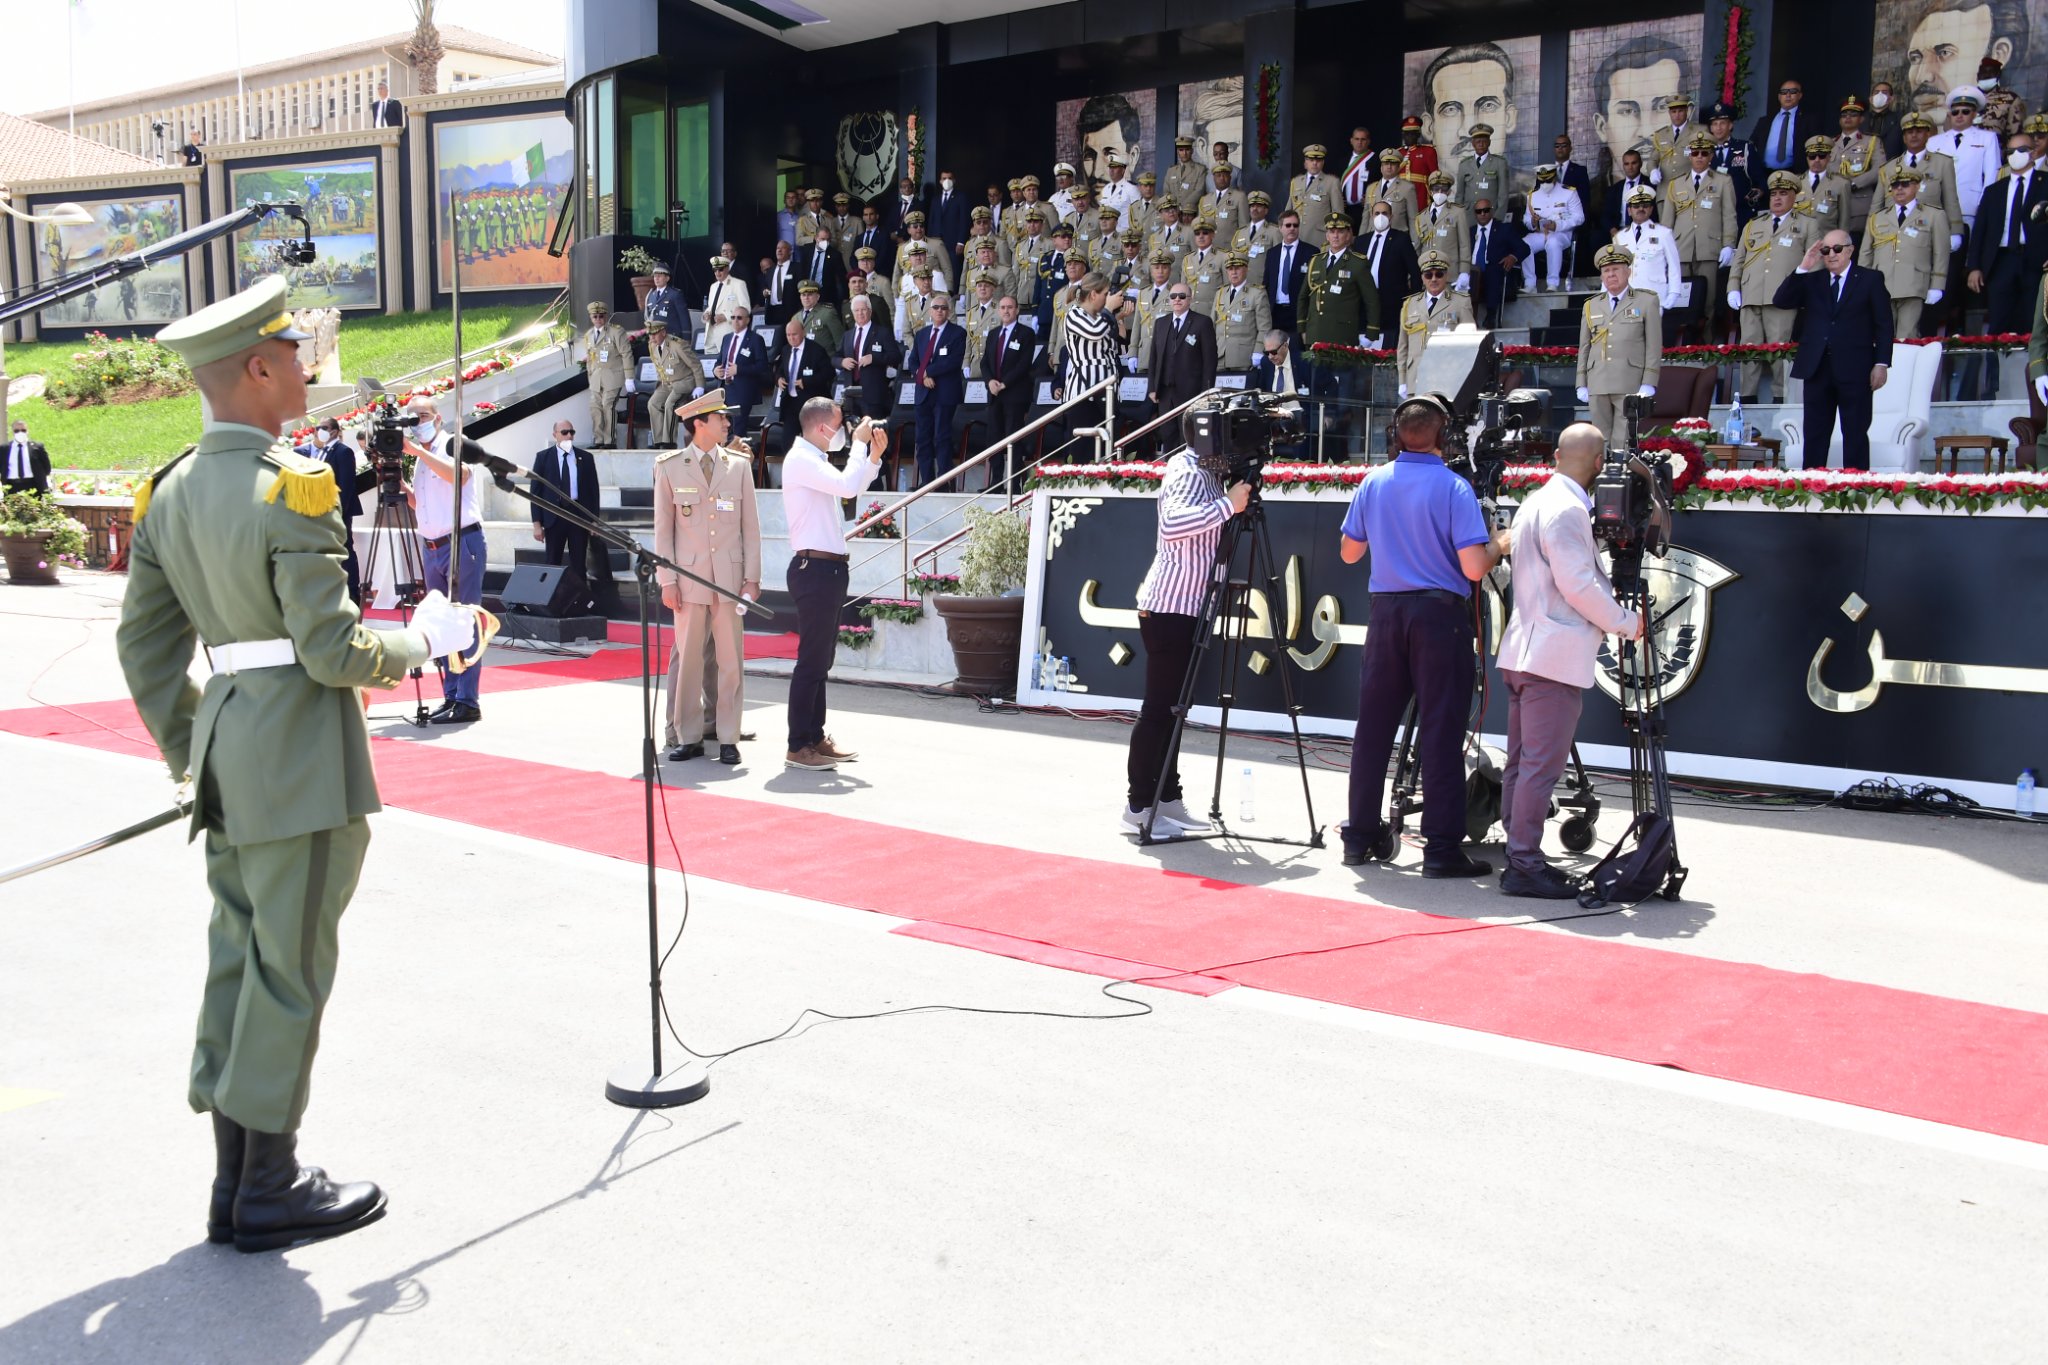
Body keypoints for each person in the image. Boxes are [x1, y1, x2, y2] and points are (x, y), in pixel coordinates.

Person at [118, 276, 474, 1253]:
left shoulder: (170, 491)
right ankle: (270, 1187)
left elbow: (145, 651)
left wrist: (194, 752)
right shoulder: (290, 485)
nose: (306, 369)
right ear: (256, 369)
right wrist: (428, 642)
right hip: (301, 765)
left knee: (239, 960)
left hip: (229, 760)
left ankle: (234, 1184)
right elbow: (332, 652)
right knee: (290, 972)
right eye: (290, 353)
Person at [1338, 392, 1508, 877]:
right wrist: (1500, 544)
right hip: (1438, 617)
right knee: (1441, 731)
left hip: (1386, 614)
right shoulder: (1454, 488)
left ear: (1395, 434)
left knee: (1373, 730)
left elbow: (1349, 553)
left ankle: (1359, 836)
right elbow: (1473, 568)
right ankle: (1441, 849)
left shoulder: (1374, 481)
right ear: (1444, 436)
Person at [1495, 422, 1645, 899]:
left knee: (1523, 763)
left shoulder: (1537, 500)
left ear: (1557, 456)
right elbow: (1577, 585)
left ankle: (1520, 854)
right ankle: (1524, 863)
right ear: (1600, 464)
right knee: (1538, 767)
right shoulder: (1565, 510)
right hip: (1549, 658)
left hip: (1526, 650)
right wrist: (1626, 622)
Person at [1122, 438, 1252, 836]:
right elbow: (1172, 525)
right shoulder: (1187, 469)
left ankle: (1167, 798)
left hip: (1191, 607)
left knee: (1176, 709)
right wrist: (1228, 505)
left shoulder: (1211, 471)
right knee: (1159, 709)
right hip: (1170, 606)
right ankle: (1138, 805)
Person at [654, 390, 760, 766]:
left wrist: (752, 579)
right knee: (689, 661)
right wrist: (667, 580)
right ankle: (689, 735)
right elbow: (663, 530)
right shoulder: (669, 466)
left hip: (729, 580)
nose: (727, 423)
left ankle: (728, 736)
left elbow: (751, 528)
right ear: (700, 423)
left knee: (731, 661)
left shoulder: (739, 466)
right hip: (688, 580)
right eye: (720, 418)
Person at [781, 399, 886, 770]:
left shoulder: (814, 459)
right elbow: (846, 486)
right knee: (812, 660)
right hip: (814, 568)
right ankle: (798, 744)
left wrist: (872, 458)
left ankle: (814, 736)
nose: (845, 430)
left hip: (827, 569)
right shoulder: (801, 459)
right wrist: (858, 446)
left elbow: (851, 486)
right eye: (841, 424)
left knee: (822, 659)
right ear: (823, 427)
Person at [1773, 230, 1895, 470]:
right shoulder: (1812, 280)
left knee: (1855, 431)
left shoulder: (1870, 279)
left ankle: (1855, 485)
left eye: (1837, 249)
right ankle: (1813, 484)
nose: (1831, 254)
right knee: (1815, 433)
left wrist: (1881, 363)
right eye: (1826, 250)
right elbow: (1781, 300)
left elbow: (1884, 324)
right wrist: (1804, 266)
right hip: (1817, 367)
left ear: (1850, 250)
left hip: (1856, 367)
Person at [402, 398, 486, 723]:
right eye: (412, 418)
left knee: (464, 620)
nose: (418, 423)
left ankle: (467, 699)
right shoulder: (422, 458)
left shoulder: (451, 444)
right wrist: (399, 483)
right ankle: (451, 695)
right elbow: (421, 503)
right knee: (440, 622)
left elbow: (459, 475)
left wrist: (416, 451)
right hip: (432, 545)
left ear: (438, 418)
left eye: (422, 416)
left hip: (460, 541)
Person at [1730, 172, 1817, 400]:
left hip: (1783, 297)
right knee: (1749, 349)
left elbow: (1814, 265)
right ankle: (1747, 397)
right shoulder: (1753, 225)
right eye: (1774, 194)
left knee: (1780, 350)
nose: (1777, 198)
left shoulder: (1807, 224)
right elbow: (1739, 259)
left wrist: (1804, 296)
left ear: (1794, 197)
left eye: (1783, 193)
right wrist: (1733, 287)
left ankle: (1781, 397)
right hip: (1751, 294)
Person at [1964, 130, 2047, 331]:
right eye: (2010, 151)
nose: (2015, 155)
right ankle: (1998, 353)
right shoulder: (1994, 190)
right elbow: (1980, 231)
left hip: (2036, 261)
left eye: (2021, 149)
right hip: (2001, 260)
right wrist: (1974, 267)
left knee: (2034, 320)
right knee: (1999, 319)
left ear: (2033, 152)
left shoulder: (2046, 183)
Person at [1576, 244, 1662, 435]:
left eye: (1616, 269)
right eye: (1606, 271)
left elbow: (1654, 345)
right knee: (1599, 438)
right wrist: (1581, 382)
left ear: (1628, 272)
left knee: (1623, 440)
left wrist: (1649, 381)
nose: (1611, 275)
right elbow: (1584, 347)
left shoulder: (1646, 301)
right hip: (1597, 381)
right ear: (1601, 277)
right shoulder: (1591, 305)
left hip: (1629, 380)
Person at [1859, 165, 1952, 338]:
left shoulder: (1933, 215)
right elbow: (1866, 254)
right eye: (1895, 185)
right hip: (1882, 285)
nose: (1899, 189)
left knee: (1907, 336)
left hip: (1913, 284)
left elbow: (1941, 253)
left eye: (1905, 184)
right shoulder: (1877, 218)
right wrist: (1862, 285)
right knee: (1882, 335)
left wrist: (1937, 285)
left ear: (1917, 186)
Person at [1664, 133, 1738, 338]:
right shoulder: (1676, 184)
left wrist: (1729, 244)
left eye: (1704, 153)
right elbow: (1667, 223)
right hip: (1681, 250)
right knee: (1681, 300)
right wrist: (1665, 250)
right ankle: (1681, 345)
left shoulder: (1723, 181)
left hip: (1709, 249)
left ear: (1711, 156)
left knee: (1708, 301)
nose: (1699, 157)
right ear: (1690, 155)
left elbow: (1729, 215)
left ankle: (1705, 344)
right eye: (1695, 153)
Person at [1591, 36, 1687, 184]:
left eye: (1661, 107)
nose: (1647, 132)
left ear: (1687, 115)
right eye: (1628, 111)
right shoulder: (1589, 194)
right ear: (1602, 127)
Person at [528, 419, 601, 611]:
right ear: (555, 435)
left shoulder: (585, 458)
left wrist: (594, 520)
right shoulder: (543, 457)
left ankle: (581, 605)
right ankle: (549, 603)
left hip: (578, 516)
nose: (569, 436)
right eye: (564, 432)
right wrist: (537, 524)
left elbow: (593, 491)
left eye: (571, 432)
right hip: (554, 516)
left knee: (579, 564)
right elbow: (535, 493)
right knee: (552, 561)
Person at [1422, 42, 1521, 177]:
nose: (1469, 131)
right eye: (1451, 109)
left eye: (1488, 106)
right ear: (1429, 127)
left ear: (1509, 118)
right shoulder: (1416, 187)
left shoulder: (1529, 188)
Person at [301, 418, 371, 605]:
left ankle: (352, 592)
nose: (320, 431)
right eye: (318, 428)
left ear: (335, 431)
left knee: (344, 549)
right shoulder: (310, 452)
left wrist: (337, 513)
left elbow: (346, 486)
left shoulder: (343, 451)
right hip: (315, 512)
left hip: (338, 512)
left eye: (324, 428)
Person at [1396, 251, 1474, 399]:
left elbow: (1470, 345)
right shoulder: (1410, 304)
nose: (1433, 279)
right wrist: (1402, 380)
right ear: (1422, 278)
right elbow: (1403, 347)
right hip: (1415, 378)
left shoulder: (1460, 302)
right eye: (1428, 275)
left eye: (1439, 274)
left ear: (1447, 276)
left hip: (1448, 379)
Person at [908, 295, 966, 485]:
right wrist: (923, 376)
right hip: (923, 393)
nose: (940, 310)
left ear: (948, 311)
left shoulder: (957, 333)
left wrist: (927, 372)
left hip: (944, 393)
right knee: (922, 439)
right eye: (936, 307)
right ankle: (926, 482)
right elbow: (913, 361)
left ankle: (942, 483)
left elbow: (953, 361)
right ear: (930, 311)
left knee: (941, 437)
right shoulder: (921, 334)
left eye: (943, 308)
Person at [980, 294, 1035, 485]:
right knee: (994, 439)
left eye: (1010, 307)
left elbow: (1024, 364)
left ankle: (1014, 483)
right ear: (998, 310)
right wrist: (990, 382)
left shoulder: (1026, 333)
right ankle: (995, 483)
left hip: (1015, 395)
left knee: (1013, 439)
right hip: (995, 395)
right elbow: (984, 362)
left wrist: (1004, 383)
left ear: (1017, 310)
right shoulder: (993, 334)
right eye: (1003, 307)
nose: (1006, 311)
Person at [708, 303, 770, 438]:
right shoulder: (727, 338)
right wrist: (715, 371)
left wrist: (740, 369)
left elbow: (763, 366)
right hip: (725, 389)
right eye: (733, 317)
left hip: (743, 391)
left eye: (739, 318)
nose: (735, 321)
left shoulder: (756, 339)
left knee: (738, 429)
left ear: (747, 320)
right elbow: (719, 361)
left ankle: (737, 451)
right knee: (722, 428)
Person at [1357, 200, 1421, 328]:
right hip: (1364, 302)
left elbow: (1415, 272)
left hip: (1392, 304)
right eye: (1377, 213)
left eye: (1384, 213)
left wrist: (1414, 301)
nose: (1380, 217)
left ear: (1391, 216)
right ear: (1372, 216)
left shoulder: (1401, 239)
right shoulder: (1361, 241)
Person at [646, 318, 707, 447]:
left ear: (663, 332)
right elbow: (658, 366)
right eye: (650, 334)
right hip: (667, 383)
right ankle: (658, 441)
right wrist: (660, 383)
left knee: (670, 404)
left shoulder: (678, 345)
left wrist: (700, 386)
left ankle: (669, 442)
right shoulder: (652, 345)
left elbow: (695, 365)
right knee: (653, 403)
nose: (652, 337)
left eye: (655, 334)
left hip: (684, 381)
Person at [772, 315, 835, 441]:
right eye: (788, 335)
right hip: (791, 402)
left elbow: (829, 373)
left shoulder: (816, 350)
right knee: (788, 442)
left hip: (810, 403)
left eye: (794, 334)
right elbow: (779, 370)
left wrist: (806, 381)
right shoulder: (786, 350)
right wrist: (779, 379)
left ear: (803, 332)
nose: (791, 338)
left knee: (813, 441)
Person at [1522, 165, 1583, 292]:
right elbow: (1526, 219)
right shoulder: (1532, 195)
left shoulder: (1569, 192)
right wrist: (1532, 222)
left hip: (1562, 233)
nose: (1545, 184)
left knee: (1553, 242)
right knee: (1524, 244)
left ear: (1554, 177)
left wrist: (1558, 225)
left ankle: (1552, 283)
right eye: (1542, 181)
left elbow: (1579, 217)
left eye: (1548, 180)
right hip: (1540, 233)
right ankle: (1530, 284)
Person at [839, 293, 899, 423]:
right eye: (856, 310)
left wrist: (874, 358)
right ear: (852, 313)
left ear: (870, 311)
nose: (860, 313)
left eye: (863, 310)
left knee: (873, 431)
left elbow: (895, 356)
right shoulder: (847, 335)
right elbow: (835, 357)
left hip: (873, 395)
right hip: (851, 395)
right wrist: (842, 362)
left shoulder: (882, 332)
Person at [1829, 97, 1885, 236]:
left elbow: (1880, 169)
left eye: (1853, 114)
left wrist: (1854, 184)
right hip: (1832, 203)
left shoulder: (1872, 141)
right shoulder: (1830, 143)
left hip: (1858, 204)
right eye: (1844, 115)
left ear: (1861, 119)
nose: (1848, 117)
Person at [1412, 171, 1473, 291]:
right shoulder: (1421, 216)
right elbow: (1417, 248)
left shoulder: (1457, 212)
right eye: (1436, 189)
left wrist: (1464, 271)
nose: (1439, 192)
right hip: (1427, 275)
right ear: (1430, 191)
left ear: (1449, 192)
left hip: (1449, 275)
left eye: (1444, 189)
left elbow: (1464, 245)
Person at [1470, 197, 1524, 326]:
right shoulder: (1470, 231)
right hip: (1472, 271)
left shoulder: (1503, 229)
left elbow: (1523, 248)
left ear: (1492, 211)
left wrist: (1512, 257)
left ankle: (1491, 315)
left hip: (1495, 271)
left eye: (1486, 210)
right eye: (1479, 211)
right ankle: (1467, 319)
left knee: (1493, 271)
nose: (1483, 214)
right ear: (1475, 214)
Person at [1213, 252, 1272, 369]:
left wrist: (1258, 351)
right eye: (1230, 269)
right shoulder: (1220, 293)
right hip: (1219, 356)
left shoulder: (1257, 294)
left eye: (1237, 268)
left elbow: (1264, 328)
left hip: (1244, 357)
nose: (1234, 272)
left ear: (1246, 269)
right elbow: (1212, 325)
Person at [1752, 78, 1817, 176]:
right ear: (1779, 96)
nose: (1788, 95)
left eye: (1793, 91)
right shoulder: (1764, 121)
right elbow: (1752, 143)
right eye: (1784, 92)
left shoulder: (1808, 120)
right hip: (1765, 174)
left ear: (1800, 95)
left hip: (1795, 174)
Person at [1289, 144, 1345, 248]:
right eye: (1311, 160)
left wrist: (1334, 237)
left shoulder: (1332, 182)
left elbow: (1338, 214)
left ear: (1323, 162)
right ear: (1305, 162)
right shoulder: (1296, 181)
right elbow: (1289, 210)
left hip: (1319, 237)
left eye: (1318, 160)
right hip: (1296, 235)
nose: (1315, 163)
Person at [1454, 122, 1512, 221]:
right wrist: (1459, 217)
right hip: (1469, 216)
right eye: (1478, 141)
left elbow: (1503, 194)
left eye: (1484, 141)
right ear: (1473, 143)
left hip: (1491, 215)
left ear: (1489, 142)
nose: (1481, 144)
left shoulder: (1499, 163)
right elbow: (1460, 194)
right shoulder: (1464, 165)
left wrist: (1498, 217)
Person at [1797, 136, 1853, 238]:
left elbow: (1844, 221)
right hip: (1799, 240)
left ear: (1829, 158)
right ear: (1807, 158)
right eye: (1812, 156)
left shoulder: (1841, 184)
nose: (1817, 160)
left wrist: (1840, 242)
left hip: (1826, 241)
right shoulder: (1796, 182)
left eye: (1822, 156)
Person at [700, 255, 751, 355]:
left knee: (727, 362)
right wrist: (705, 315)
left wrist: (726, 316)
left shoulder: (738, 284)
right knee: (710, 363)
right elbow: (712, 307)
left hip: (728, 332)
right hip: (711, 332)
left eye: (720, 269)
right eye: (715, 270)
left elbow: (746, 309)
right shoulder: (713, 286)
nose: (717, 273)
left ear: (728, 268)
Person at [1603, 148, 1654, 232]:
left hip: (1644, 230)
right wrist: (1612, 229)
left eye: (1634, 163)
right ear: (1623, 166)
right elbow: (1606, 215)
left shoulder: (1651, 185)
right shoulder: (1615, 189)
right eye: (1626, 164)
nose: (1630, 167)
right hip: (1620, 230)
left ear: (1640, 164)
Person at [1339, 127, 1380, 222]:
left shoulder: (1376, 161)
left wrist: (1372, 198)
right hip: (1346, 210)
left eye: (1363, 139)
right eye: (1357, 139)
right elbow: (1335, 182)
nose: (1359, 142)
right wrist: (1338, 199)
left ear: (1368, 141)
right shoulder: (1343, 161)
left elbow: (1381, 184)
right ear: (1351, 141)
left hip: (1366, 209)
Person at [4, 418, 52, 496]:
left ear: (27, 431)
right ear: (12, 432)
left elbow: (47, 468)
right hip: (12, 486)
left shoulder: (37, 447)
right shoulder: (4, 449)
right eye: (17, 431)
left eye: (23, 430)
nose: (20, 433)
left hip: (33, 486)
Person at [1163, 136, 1207, 217]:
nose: (1184, 153)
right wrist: (1174, 208)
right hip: (1174, 213)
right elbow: (1166, 192)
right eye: (1181, 150)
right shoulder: (1171, 171)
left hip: (1191, 214)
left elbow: (1199, 191)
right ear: (1177, 152)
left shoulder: (1200, 169)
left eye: (1187, 150)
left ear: (1192, 151)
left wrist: (1183, 208)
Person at [642, 263, 685, 335]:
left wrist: (686, 338)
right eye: (655, 276)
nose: (656, 278)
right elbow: (648, 318)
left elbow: (684, 318)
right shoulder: (650, 295)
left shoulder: (675, 294)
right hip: (655, 337)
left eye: (659, 276)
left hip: (671, 336)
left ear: (667, 278)